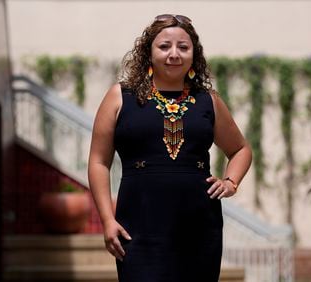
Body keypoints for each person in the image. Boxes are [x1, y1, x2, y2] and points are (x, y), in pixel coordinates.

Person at [87, 14, 252, 282]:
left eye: (183, 47)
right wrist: (107, 219)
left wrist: (231, 182)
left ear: (193, 55)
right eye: (164, 46)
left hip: (198, 224)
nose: (174, 54)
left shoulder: (208, 100)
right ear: (148, 53)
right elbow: (98, 162)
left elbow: (241, 149)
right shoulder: (120, 96)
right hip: (138, 223)